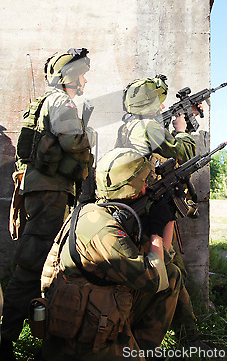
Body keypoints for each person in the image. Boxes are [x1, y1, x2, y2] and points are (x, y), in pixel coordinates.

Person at [39, 147, 182, 361]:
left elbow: (162, 265)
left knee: (172, 274)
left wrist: (168, 212)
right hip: (83, 334)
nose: (149, 183)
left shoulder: (96, 211)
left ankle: (142, 348)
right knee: (165, 278)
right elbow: (154, 280)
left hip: (94, 307)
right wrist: (158, 227)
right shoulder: (104, 230)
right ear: (134, 189)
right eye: (146, 180)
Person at [0, 48, 94, 361]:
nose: (83, 80)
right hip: (51, 190)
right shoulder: (62, 102)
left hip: (41, 188)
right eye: (80, 73)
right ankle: (5, 339)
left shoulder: (44, 102)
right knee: (33, 265)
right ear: (68, 75)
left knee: (40, 263)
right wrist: (88, 134)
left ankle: (36, 333)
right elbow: (72, 142)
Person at [116, 75, 201, 343]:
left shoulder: (128, 126)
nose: (162, 107)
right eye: (158, 102)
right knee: (169, 267)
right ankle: (179, 337)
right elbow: (183, 152)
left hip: (139, 205)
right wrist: (183, 128)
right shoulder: (148, 127)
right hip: (151, 207)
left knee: (171, 267)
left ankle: (189, 333)